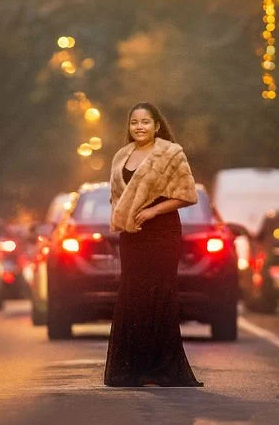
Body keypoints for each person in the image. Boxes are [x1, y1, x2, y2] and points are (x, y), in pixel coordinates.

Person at [104, 102, 204, 388]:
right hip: (132, 236)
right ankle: (130, 370)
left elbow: (187, 195)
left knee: (158, 294)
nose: (139, 127)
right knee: (132, 294)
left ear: (157, 125)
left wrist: (152, 211)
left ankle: (161, 369)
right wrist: (124, 220)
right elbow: (116, 198)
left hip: (162, 233)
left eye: (145, 122)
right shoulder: (121, 156)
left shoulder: (171, 153)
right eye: (134, 122)